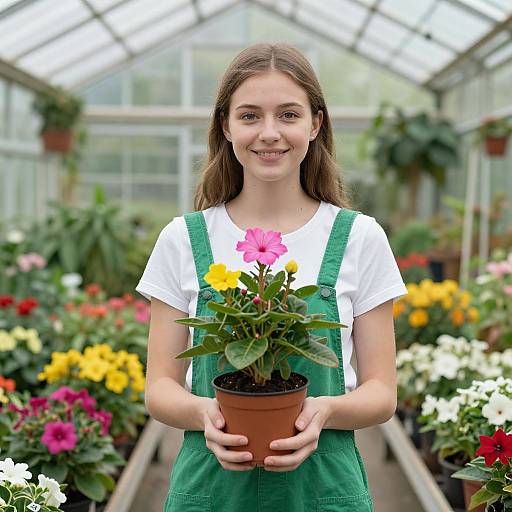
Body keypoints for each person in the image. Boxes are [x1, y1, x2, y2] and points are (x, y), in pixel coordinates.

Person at [136, 42, 407, 512]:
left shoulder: (359, 238)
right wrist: (205, 412)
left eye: (287, 115)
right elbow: (159, 387)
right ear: (225, 126)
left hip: (322, 488)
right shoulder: (183, 238)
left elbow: (382, 393)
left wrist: (325, 411)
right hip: (212, 488)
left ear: (315, 124)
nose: (268, 134)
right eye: (248, 116)